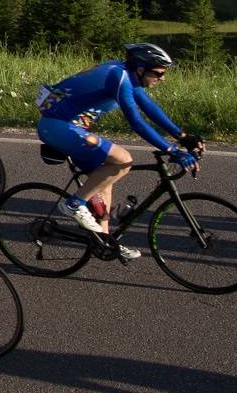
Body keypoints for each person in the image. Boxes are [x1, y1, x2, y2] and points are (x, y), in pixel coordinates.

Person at [36, 43, 198, 252]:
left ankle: (104, 240)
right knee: (122, 160)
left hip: (67, 126)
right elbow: (136, 122)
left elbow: (150, 108)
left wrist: (183, 137)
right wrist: (171, 150)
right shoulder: (118, 77)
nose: (163, 78)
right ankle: (74, 204)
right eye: (159, 73)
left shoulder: (125, 74)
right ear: (141, 69)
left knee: (105, 180)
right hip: (57, 126)